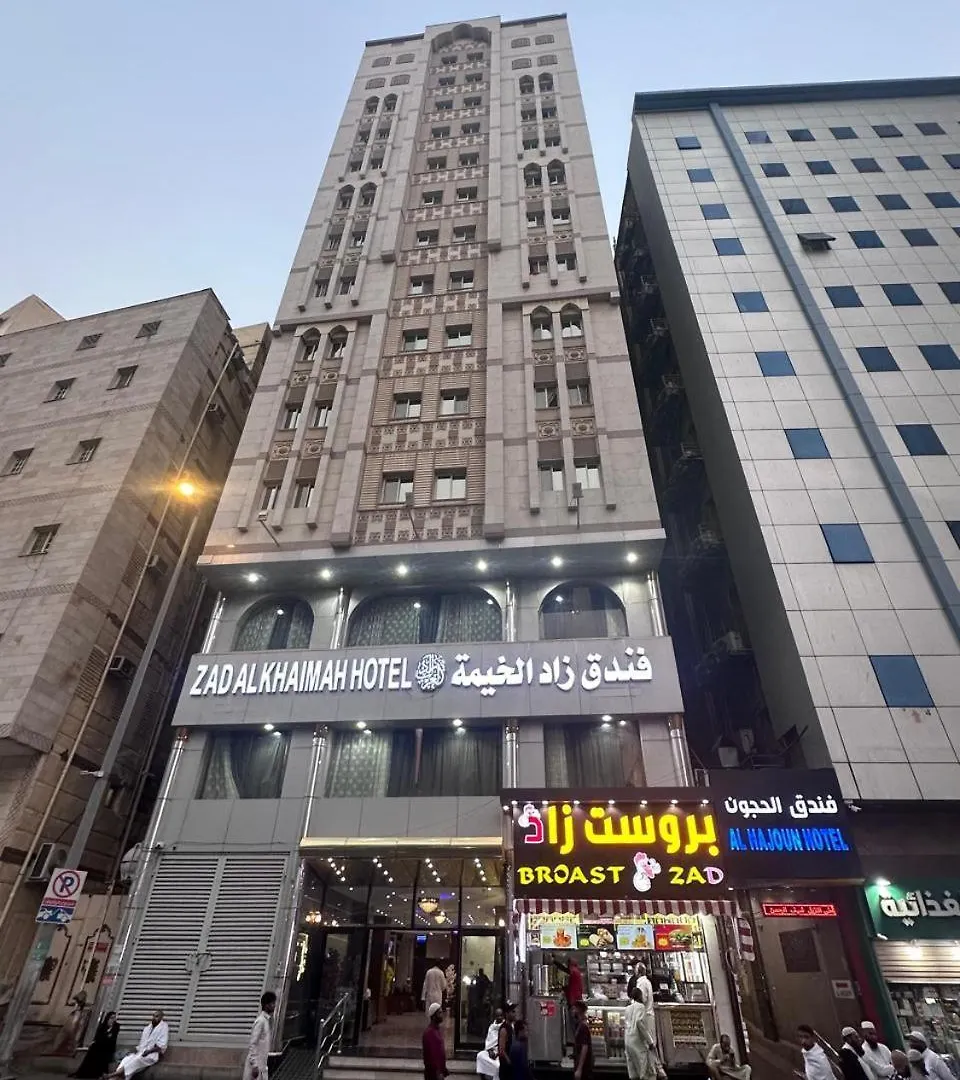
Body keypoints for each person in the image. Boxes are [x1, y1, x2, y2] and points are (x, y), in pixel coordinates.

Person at [105, 1010, 169, 1080]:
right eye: (153, 1016)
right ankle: (114, 1077)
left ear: (161, 1017)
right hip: (141, 1053)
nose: (154, 1018)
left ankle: (111, 1075)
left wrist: (148, 1052)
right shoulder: (147, 1028)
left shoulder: (164, 1027)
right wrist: (134, 1052)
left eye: (156, 1016)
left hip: (152, 1055)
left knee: (136, 1060)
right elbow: (142, 1044)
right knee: (127, 1059)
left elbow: (161, 1045)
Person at [71, 1011, 120, 1078]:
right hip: (100, 1044)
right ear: (108, 1018)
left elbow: (113, 1038)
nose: (113, 1020)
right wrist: (106, 1034)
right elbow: (99, 1036)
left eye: (114, 1018)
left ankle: (98, 1073)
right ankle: (85, 1072)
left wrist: (108, 1033)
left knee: (101, 1051)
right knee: (93, 1049)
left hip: (109, 1046)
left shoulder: (116, 1026)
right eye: (111, 1018)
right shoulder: (103, 1025)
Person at [625, 987, 656, 1080]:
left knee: (633, 1071)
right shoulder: (641, 1007)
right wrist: (650, 1041)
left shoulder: (627, 1008)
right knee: (643, 1070)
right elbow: (640, 1023)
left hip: (628, 1040)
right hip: (637, 1041)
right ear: (639, 996)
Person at [243, 991, 276, 1080]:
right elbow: (253, 1043)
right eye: (272, 1003)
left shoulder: (266, 1021)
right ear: (266, 1005)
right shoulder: (260, 1021)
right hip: (256, 1066)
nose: (274, 1006)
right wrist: (254, 1065)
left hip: (262, 1065)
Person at [423, 1002, 448, 1080]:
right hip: (433, 1075)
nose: (442, 1015)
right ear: (434, 1016)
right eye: (439, 1013)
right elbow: (432, 1056)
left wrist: (443, 1069)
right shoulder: (430, 1033)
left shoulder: (436, 1030)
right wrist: (437, 1072)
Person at [476, 1009, 504, 1078]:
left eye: (500, 1015)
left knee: (498, 1066)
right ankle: (483, 1077)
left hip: (500, 1053)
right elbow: (488, 1041)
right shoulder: (491, 1027)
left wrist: (497, 1053)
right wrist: (489, 1050)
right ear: (495, 1016)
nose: (499, 1017)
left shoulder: (505, 1027)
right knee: (480, 1056)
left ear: (503, 1016)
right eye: (497, 1016)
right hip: (490, 1050)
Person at [572, 1000, 594, 1080]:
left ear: (578, 1010)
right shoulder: (581, 1024)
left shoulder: (583, 1026)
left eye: (574, 1009)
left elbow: (584, 1047)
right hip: (583, 1064)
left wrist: (579, 1069)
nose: (572, 1011)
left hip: (584, 1066)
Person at [497, 1002, 517, 1080]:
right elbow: (501, 1050)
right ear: (507, 1014)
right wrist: (509, 1061)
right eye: (513, 1012)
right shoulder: (504, 1029)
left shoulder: (511, 1027)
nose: (515, 1014)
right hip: (506, 1067)